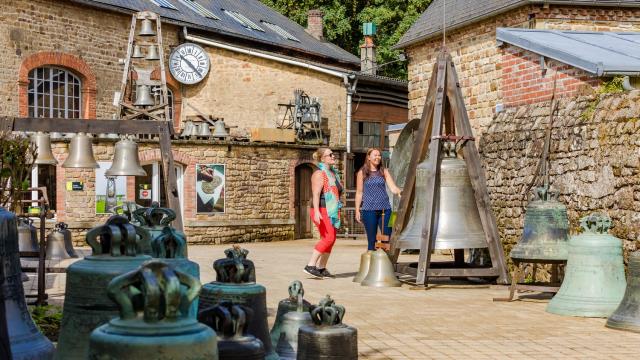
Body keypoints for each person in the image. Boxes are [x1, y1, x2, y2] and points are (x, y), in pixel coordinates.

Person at [304, 147, 343, 279]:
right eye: (330, 155)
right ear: (322, 158)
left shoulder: (333, 173)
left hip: (332, 210)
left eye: (332, 154)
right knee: (328, 238)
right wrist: (316, 211)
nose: (333, 156)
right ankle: (310, 265)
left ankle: (321, 268)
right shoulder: (319, 173)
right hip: (321, 209)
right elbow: (315, 194)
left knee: (331, 239)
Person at [355, 148, 402, 251]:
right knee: (372, 242)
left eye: (379, 155)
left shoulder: (384, 171)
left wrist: (400, 192)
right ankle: (371, 265)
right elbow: (359, 192)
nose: (378, 157)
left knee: (386, 239)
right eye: (375, 155)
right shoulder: (362, 173)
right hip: (368, 210)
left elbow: (393, 188)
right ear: (368, 157)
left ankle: (385, 264)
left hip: (386, 210)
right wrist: (357, 210)